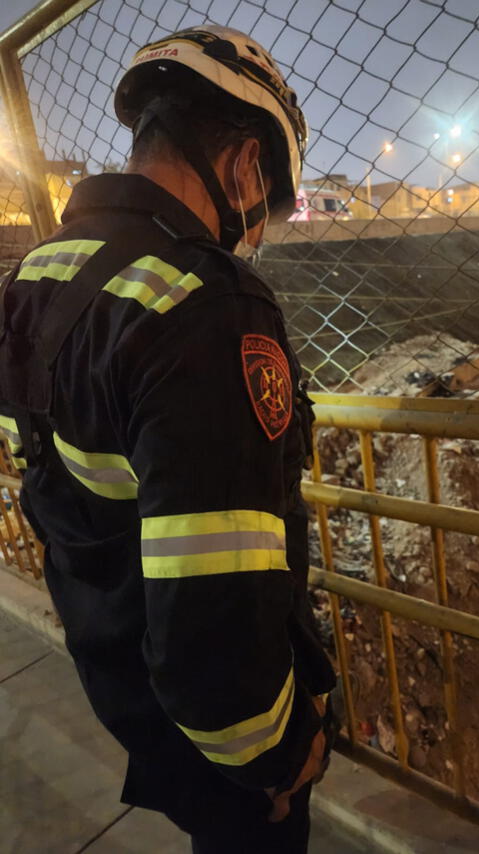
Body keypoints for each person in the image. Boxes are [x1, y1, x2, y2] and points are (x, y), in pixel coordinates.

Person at [0, 24, 336, 854]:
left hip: (118, 673)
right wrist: (273, 757)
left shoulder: (36, 275)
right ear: (246, 164)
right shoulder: (207, 306)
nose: (255, 227)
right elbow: (214, 603)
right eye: (268, 201)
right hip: (222, 740)